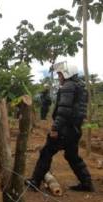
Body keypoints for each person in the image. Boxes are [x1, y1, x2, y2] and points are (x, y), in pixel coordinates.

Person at [26, 62, 94, 192]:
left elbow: (64, 111)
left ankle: (35, 181)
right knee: (72, 156)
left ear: (67, 73)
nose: (59, 76)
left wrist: (55, 128)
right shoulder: (80, 87)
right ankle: (87, 183)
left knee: (46, 152)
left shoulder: (68, 86)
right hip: (75, 129)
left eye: (60, 74)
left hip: (65, 129)